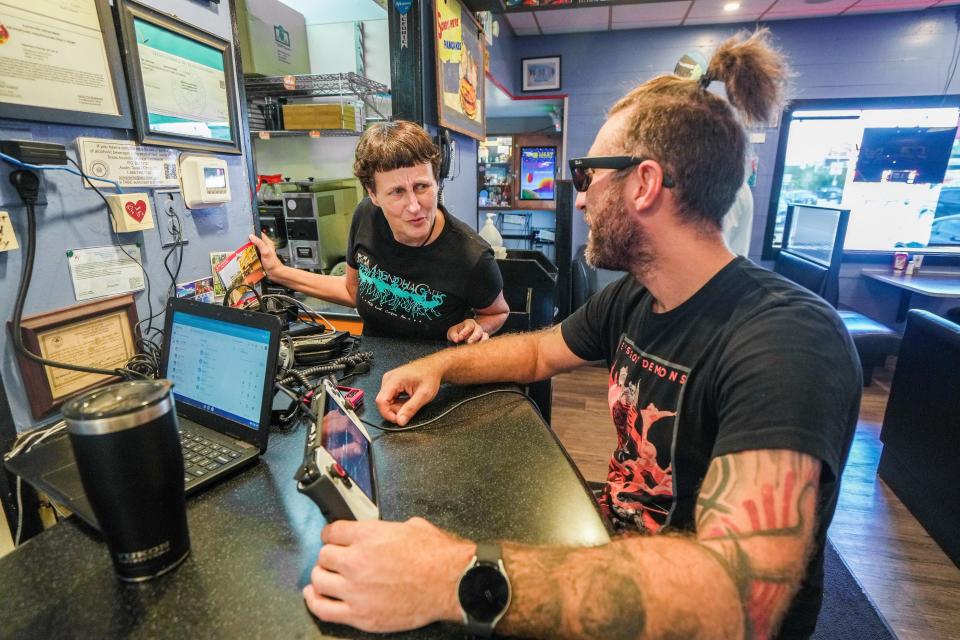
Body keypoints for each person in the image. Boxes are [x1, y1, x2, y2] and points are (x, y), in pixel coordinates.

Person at [301, 30, 862, 640]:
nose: (580, 195)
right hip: (614, 541)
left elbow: (737, 597)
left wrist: (449, 576)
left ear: (643, 184)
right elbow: (540, 349)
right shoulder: (637, 294)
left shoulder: (789, 342)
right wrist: (439, 367)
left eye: (588, 173)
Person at [250, 120, 509, 343]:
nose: (414, 206)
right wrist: (278, 272)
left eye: (422, 186)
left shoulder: (472, 255)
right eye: (397, 192)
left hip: (438, 374)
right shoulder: (366, 216)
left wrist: (476, 326)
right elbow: (353, 291)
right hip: (373, 366)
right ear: (373, 194)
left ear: (437, 182)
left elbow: (497, 313)